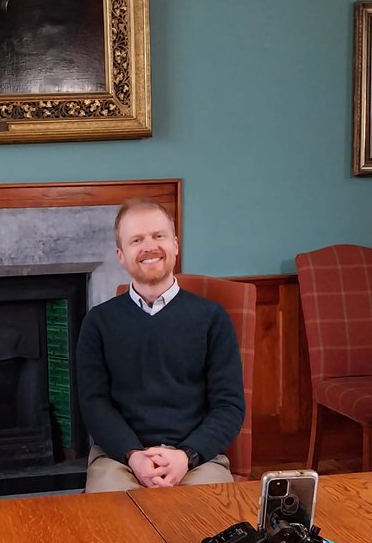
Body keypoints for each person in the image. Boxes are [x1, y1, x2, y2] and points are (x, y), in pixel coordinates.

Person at [75, 199, 245, 492]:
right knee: (111, 525)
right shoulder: (98, 322)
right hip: (120, 459)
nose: (149, 247)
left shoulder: (212, 318)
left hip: (197, 459)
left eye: (158, 236)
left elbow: (228, 406)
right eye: (136, 240)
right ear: (121, 254)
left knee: (214, 526)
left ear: (175, 245)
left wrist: (186, 456)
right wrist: (134, 455)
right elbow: (93, 405)